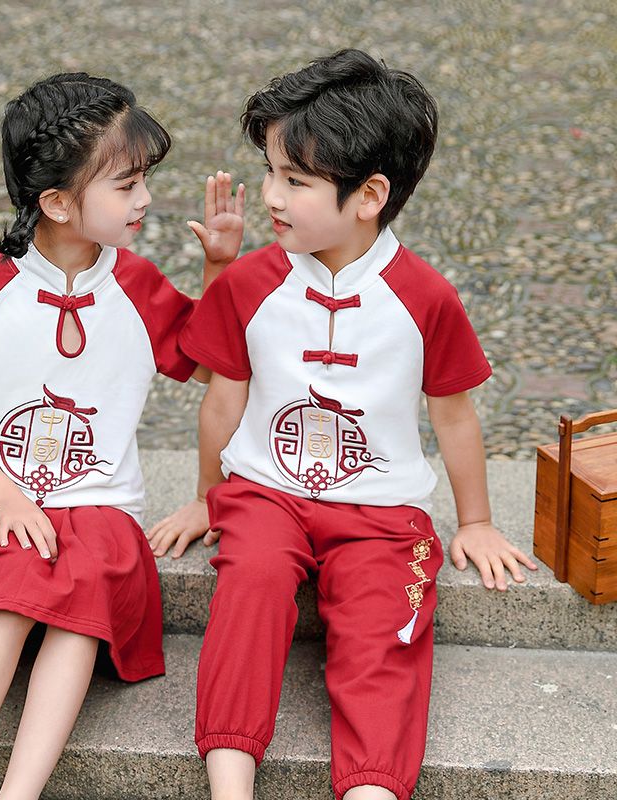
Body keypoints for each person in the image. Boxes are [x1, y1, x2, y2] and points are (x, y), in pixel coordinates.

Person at [148, 49, 537, 800]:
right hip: (265, 493)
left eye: (294, 180)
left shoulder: (425, 297)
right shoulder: (253, 282)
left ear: (369, 195)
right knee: (249, 587)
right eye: (269, 172)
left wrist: (477, 520)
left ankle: (371, 789)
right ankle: (230, 781)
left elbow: (452, 412)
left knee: (385, 629)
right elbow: (222, 399)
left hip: (381, 511)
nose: (271, 196)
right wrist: (207, 495)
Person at [0, 72, 244, 800]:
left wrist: (218, 266)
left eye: (145, 180)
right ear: (56, 202)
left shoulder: (139, 286)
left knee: (81, 599)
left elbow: (210, 365)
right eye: (125, 186)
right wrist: (9, 500)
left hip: (100, 505)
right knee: (7, 585)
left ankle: (20, 792)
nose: (144, 200)